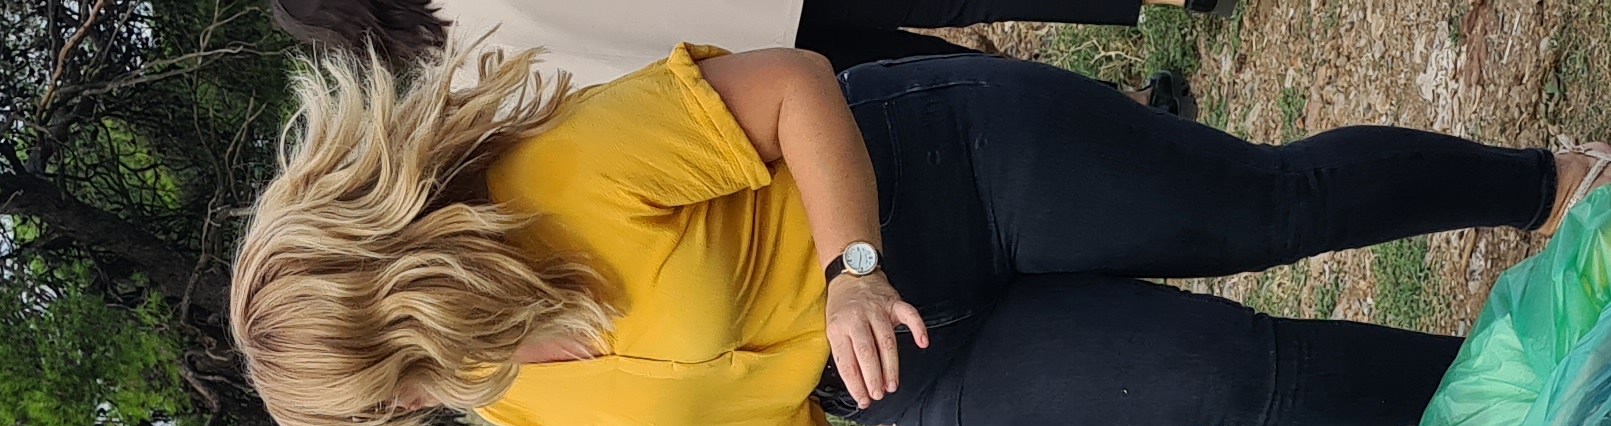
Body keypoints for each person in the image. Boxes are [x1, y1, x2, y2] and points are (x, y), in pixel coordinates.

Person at [231, 44, 1611, 426]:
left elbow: (789, 87)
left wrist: (852, 261)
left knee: (1264, 216)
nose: (420, 410)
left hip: (944, 177)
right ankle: (1560, 383)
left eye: (392, 389)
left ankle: (1548, 184)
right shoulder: (493, 386)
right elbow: (708, 407)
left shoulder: (558, 181)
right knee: (1238, 379)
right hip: (922, 368)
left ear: (387, 300)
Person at [264, 0, 1214, 92]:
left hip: (737, 77)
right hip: (754, 1)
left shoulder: (443, 79)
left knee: (938, 75)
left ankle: (1122, 117)